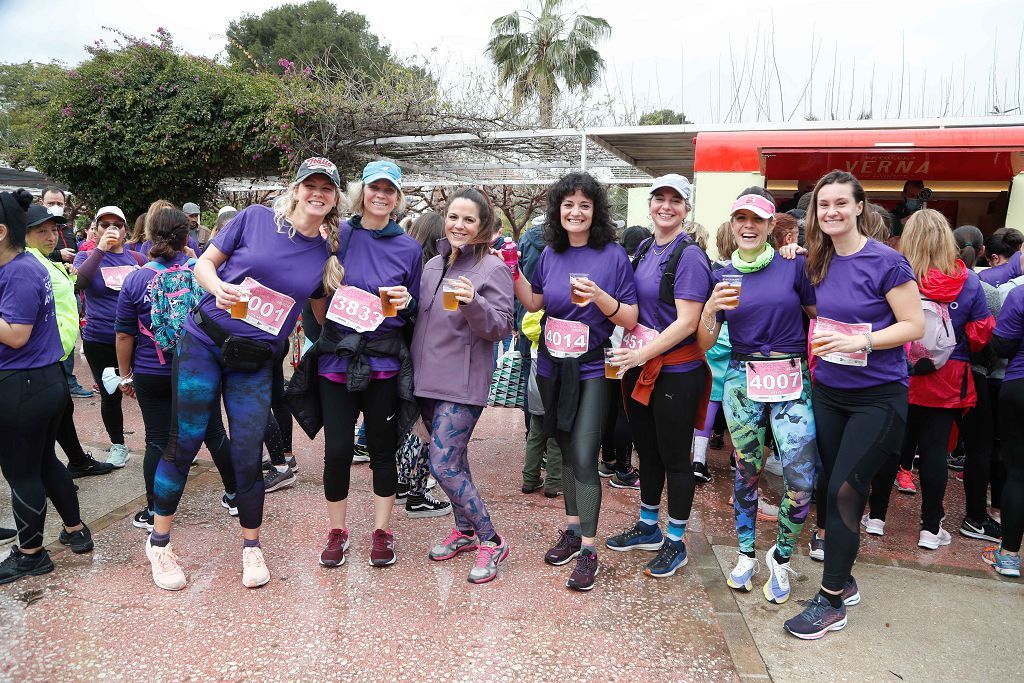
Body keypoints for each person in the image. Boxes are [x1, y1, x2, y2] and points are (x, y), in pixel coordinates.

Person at [145, 157, 338, 591]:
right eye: (311, 185)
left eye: (327, 188)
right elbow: (203, 264)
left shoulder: (326, 252)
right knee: (186, 440)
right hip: (205, 343)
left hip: (254, 361)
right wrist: (216, 287)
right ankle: (160, 543)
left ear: (335, 199)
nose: (318, 194)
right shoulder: (253, 219)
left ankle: (252, 546)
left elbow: (324, 314)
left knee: (248, 452)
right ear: (296, 189)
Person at [779, 170, 923, 640]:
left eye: (841, 203)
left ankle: (832, 600)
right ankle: (844, 573)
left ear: (860, 207)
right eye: (824, 205)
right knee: (827, 487)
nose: (832, 212)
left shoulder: (887, 262)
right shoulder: (816, 260)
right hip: (830, 392)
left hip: (877, 398)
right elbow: (814, 309)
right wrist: (788, 254)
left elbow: (913, 325)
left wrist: (864, 337)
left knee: (845, 490)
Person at [515, 171, 638, 591]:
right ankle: (572, 529)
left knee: (585, 455)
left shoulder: (614, 256)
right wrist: (512, 268)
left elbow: (630, 317)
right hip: (552, 366)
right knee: (565, 448)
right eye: (568, 204)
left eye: (584, 205)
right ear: (558, 210)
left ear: (596, 211)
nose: (575, 211)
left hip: (590, 369)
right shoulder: (550, 252)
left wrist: (601, 298)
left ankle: (589, 549)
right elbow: (534, 301)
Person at [698, 188, 818, 603]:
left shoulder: (795, 265)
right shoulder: (720, 274)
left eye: (757, 220)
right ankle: (746, 553)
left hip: (791, 377)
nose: (748, 226)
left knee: (801, 479)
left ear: (771, 226)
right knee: (745, 472)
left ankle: (781, 559)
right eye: (740, 219)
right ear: (733, 225)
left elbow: (819, 316)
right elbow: (704, 342)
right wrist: (710, 309)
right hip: (742, 377)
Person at [313, 160, 422, 569]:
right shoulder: (337, 234)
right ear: (361, 192)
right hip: (337, 359)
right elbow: (316, 291)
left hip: (384, 363)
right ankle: (337, 531)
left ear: (397, 197)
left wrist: (405, 305)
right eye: (375, 187)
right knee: (338, 449)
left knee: (381, 449)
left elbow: (413, 305)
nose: (381, 195)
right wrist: (334, 325)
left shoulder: (409, 247)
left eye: (390, 190)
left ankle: (382, 531)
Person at [863, 210, 994, 549]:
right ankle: (930, 529)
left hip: (896, 369)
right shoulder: (967, 280)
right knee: (935, 453)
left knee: (892, 448)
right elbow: (981, 334)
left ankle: (876, 517)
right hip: (948, 376)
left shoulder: (893, 271)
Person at [604, 174, 712, 579]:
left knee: (674, 459)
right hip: (640, 368)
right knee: (646, 453)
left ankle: (676, 540)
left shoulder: (689, 256)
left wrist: (639, 356)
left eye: (675, 201)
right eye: (659, 199)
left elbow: (687, 323)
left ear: (686, 208)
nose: (666, 206)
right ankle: (649, 526)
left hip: (675, 373)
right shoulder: (648, 247)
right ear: (650, 204)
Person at [412, 188, 514, 583]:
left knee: (442, 464)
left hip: (462, 383)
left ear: (483, 226)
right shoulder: (433, 265)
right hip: (426, 381)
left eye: (469, 219)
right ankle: (466, 531)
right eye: (454, 217)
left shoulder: (492, 269)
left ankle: (491, 537)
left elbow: (502, 326)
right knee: (456, 461)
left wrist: (474, 301)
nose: (459, 225)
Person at [114, 207, 238, 531]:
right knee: (213, 433)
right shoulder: (203, 272)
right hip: (198, 367)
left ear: (150, 235)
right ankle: (235, 495)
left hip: (152, 369)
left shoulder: (137, 279)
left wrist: (125, 374)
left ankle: (155, 510)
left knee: (156, 439)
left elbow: (125, 333)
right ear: (188, 236)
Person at [0, 190, 93, 585]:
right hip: (40, 381)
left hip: (25, 384)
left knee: (22, 473)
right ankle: (74, 529)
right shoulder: (24, 265)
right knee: (43, 462)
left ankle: (31, 554)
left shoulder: (20, 270)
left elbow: (16, 335)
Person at [24, 206, 114, 478]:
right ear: (23, 233)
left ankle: (75, 461)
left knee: (62, 407)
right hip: (39, 354)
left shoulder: (44, 260)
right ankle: (46, 474)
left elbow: (78, 282)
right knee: (48, 413)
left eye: (54, 230)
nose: (51, 236)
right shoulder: (27, 265)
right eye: (42, 231)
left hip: (56, 351)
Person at [72, 206, 146, 467]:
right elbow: (79, 283)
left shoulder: (137, 259)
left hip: (137, 339)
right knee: (110, 393)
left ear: (126, 230)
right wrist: (100, 249)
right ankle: (118, 445)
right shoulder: (86, 257)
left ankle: (159, 443)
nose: (111, 228)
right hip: (99, 338)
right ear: (96, 228)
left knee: (147, 390)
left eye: (117, 224)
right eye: (105, 224)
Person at [953, 225, 1005, 542]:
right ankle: (975, 516)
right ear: (983, 252)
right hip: (974, 377)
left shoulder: (925, 282)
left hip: (928, 373)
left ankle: (877, 517)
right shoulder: (987, 291)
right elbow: (994, 343)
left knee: (917, 445)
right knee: (979, 448)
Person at [985, 279, 1024, 577]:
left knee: (1018, 475)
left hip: (1019, 386)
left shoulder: (1020, 294)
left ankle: (1009, 555)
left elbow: (1002, 344)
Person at [39, 187, 77, 265]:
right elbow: (31, 253)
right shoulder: (34, 228)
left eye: (59, 204)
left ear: (64, 205)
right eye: (51, 203)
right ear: (41, 203)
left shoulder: (67, 229)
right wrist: (58, 254)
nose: (56, 207)